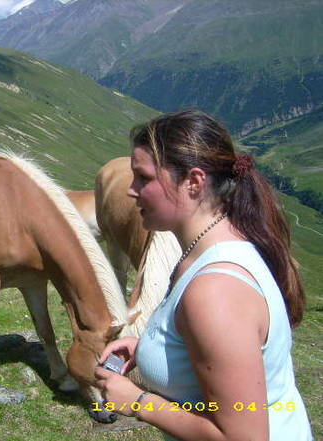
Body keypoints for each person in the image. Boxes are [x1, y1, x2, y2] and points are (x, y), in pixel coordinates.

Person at [94, 110, 313, 441]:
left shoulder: (215, 291)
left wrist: (138, 402)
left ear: (193, 182)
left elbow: (244, 438)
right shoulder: (218, 247)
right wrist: (151, 350)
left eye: (144, 178)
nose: (131, 190)